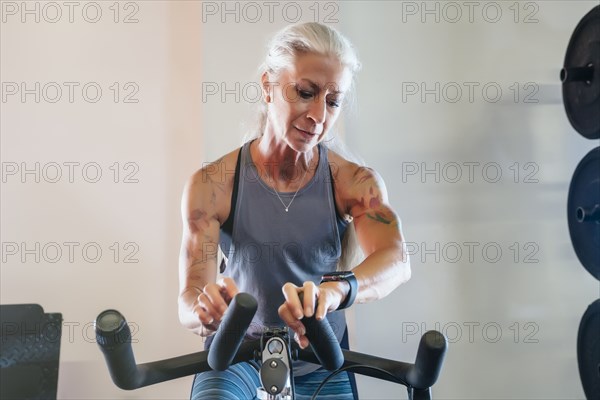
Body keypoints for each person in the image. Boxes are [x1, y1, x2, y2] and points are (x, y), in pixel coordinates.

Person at [178, 22, 411, 399]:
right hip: (239, 357)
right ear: (268, 86)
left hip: (320, 357)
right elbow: (189, 298)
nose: (319, 114)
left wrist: (337, 292)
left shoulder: (353, 182)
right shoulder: (212, 185)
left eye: (333, 101)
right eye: (305, 93)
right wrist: (203, 312)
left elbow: (397, 260)